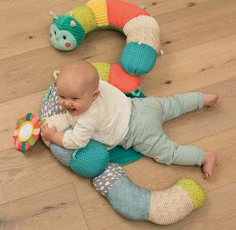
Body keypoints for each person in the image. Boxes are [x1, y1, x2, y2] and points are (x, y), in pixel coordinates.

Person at [41, 61, 218, 179]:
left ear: (94, 95)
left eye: (74, 99)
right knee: (173, 103)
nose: (66, 103)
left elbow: (76, 141)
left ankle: (203, 157)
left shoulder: (87, 118)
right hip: (143, 106)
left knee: (169, 153)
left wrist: (54, 136)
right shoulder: (97, 85)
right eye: (62, 96)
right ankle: (203, 99)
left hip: (137, 133)